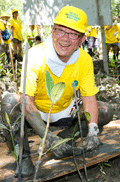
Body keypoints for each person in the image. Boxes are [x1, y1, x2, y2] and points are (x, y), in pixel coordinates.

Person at [1, 6, 113, 177]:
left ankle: (67, 134)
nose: (65, 39)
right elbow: (26, 101)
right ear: (52, 31)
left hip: (66, 111)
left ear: (82, 38)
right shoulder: (35, 55)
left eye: (73, 34)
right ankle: (23, 158)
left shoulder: (84, 59)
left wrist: (92, 132)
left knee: (106, 111)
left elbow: (89, 97)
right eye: (61, 31)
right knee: (10, 102)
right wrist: (48, 140)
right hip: (37, 114)